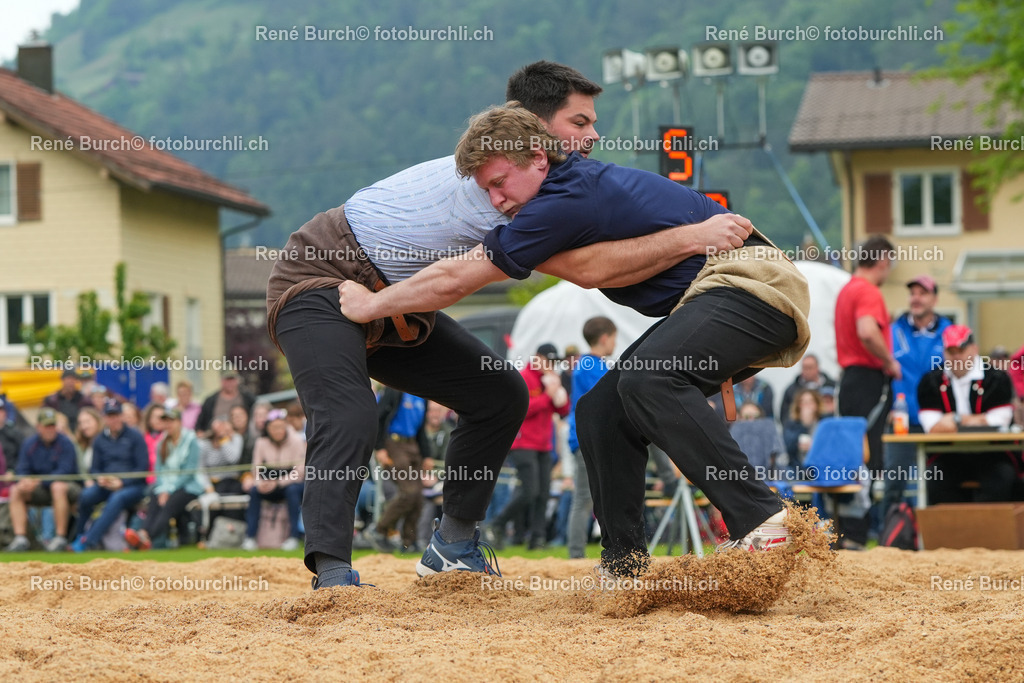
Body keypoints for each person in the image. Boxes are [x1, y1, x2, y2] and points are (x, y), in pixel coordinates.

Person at [267, 62, 755, 589]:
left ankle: (452, 546)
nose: (592, 137)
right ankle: (332, 571)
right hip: (321, 275)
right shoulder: (503, 186)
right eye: (579, 123)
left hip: (394, 301)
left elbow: (605, 254)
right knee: (348, 408)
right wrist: (694, 234)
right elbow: (588, 269)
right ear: (539, 135)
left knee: (500, 394)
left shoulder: (529, 180)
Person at [339, 102, 811, 577]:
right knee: (600, 412)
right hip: (717, 296)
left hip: (753, 285)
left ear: (537, 158)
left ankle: (761, 519)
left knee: (649, 380)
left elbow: (455, 278)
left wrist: (373, 305)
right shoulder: (564, 190)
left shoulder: (560, 201)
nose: (497, 201)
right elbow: (590, 270)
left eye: (500, 183)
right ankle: (624, 567)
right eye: (487, 191)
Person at [833, 235, 900, 547]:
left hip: (850, 379)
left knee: (850, 454)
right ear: (883, 261)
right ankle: (856, 535)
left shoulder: (846, 289)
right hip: (867, 379)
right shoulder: (868, 291)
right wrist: (889, 362)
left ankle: (844, 530)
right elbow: (867, 330)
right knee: (867, 454)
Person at [918, 325, 1018, 502]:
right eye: (951, 351)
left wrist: (955, 419)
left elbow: (1000, 421)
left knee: (1003, 477)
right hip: (949, 455)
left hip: (993, 453)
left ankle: (991, 528)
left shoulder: (996, 378)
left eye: (961, 350)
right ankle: (949, 528)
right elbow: (932, 427)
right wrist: (979, 419)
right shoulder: (930, 381)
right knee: (935, 478)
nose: (956, 357)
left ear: (974, 349)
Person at [485, 344, 570, 550]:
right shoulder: (524, 377)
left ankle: (537, 538)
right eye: (548, 360)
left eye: (553, 362)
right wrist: (547, 396)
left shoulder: (547, 380)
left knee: (543, 492)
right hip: (523, 443)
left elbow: (564, 410)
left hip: (543, 444)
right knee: (529, 491)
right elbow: (523, 409)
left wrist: (557, 392)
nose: (551, 365)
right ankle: (496, 524)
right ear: (538, 358)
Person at [883, 274, 952, 511]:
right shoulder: (893, 331)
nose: (916, 298)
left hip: (938, 421)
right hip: (902, 418)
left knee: (942, 479)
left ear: (935, 299)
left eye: (923, 293)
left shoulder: (949, 332)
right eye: (913, 293)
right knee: (894, 480)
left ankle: (938, 536)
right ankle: (888, 538)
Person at [565, 316, 617, 559]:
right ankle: (575, 554)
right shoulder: (589, 365)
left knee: (599, 497)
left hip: (594, 438)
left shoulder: (595, 365)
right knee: (584, 498)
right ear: (605, 338)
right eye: (614, 338)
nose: (615, 343)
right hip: (585, 440)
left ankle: (606, 548)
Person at [71, 400, 150, 552]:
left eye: (115, 415)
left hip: (133, 486)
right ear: (104, 418)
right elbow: (94, 469)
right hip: (106, 484)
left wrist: (122, 482)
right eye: (109, 416)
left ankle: (89, 541)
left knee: (117, 498)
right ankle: (80, 535)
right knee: (86, 496)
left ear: (121, 416)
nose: (112, 419)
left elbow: (142, 468)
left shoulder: (135, 437)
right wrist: (100, 478)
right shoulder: (100, 439)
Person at [125, 407, 203, 550]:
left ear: (179, 422)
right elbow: (159, 470)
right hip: (166, 487)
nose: (168, 425)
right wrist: (163, 489)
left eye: (171, 421)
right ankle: (143, 535)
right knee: (154, 498)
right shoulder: (162, 442)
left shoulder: (190, 440)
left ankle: (145, 536)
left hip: (188, 487)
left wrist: (169, 490)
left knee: (169, 504)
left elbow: (189, 472)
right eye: (165, 422)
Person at [4, 408, 80, 552]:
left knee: (57, 486)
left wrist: (39, 481)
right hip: (39, 488)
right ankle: (20, 539)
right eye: (46, 426)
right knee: (16, 490)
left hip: (68, 487)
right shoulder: (29, 443)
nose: (50, 429)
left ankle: (60, 538)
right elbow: (22, 468)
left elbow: (65, 471)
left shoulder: (65, 443)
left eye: (52, 425)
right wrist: (24, 481)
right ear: (38, 427)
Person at [370, 389, 428, 552]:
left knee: (417, 496)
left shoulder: (423, 395)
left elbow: (421, 428)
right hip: (394, 444)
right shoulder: (394, 390)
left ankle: (409, 542)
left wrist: (427, 454)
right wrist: (379, 447)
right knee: (409, 492)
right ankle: (379, 529)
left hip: (413, 445)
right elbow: (379, 417)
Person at [242, 409, 306, 551]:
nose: (278, 431)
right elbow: (256, 468)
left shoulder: (296, 441)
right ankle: (250, 537)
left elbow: (300, 472)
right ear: (268, 429)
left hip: (291, 483)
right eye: (274, 428)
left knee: (292, 491)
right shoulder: (261, 442)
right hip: (268, 482)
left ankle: (294, 537)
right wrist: (260, 483)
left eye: (281, 427)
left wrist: (277, 483)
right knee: (254, 491)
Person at [195, 370, 256, 437]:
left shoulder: (247, 397)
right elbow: (199, 426)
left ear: (237, 380)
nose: (230, 383)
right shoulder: (210, 401)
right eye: (227, 380)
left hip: (243, 437)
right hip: (216, 440)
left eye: (232, 379)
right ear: (221, 381)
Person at [778, 354, 836, 422]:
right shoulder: (791, 390)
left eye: (810, 367)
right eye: (804, 368)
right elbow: (784, 415)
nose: (807, 371)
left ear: (817, 368)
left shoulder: (832, 386)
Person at [782, 389, 823, 467]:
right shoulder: (791, 424)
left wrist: (814, 446)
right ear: (798, 406)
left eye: (810, 402)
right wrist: (803, 425)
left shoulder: (823, 423)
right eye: (803, 402)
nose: (807, 405)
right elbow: (787, 448)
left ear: (817, 405)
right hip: (796, 466)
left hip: (819, 465)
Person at [73, 407, 103, 475]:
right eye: (81, 423)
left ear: (97, 421)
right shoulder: (79, 445)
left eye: (87, 422)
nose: (84, 426)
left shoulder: (106, 441)